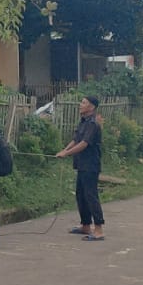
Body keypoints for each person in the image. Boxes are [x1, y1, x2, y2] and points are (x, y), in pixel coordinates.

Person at [55, 94, 105, 241]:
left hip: (91, 165)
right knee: (81, 195)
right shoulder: (83, 122)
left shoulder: (92, 124)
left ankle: (99, 229)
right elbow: (76, 139)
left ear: (91, 107)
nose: (80, 105)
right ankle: (85, 225)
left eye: (83, 103)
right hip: (82, 165)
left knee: (91, 196)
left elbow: (83, 144)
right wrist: (64, 150)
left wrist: (67, 154)